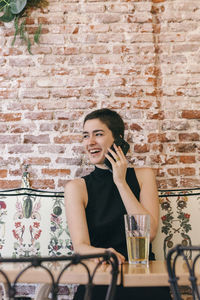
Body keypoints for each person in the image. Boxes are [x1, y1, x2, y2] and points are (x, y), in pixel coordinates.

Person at [65, 108, 172, 300]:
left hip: (143, 274)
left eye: (98, 134)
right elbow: (80, 246)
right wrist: (103, 252)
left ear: (118, 140)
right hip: (101, 273)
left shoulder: (143, 176)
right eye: (85, 136)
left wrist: (120, 181)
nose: (90, 142)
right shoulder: (77, 187)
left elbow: (148, 233)